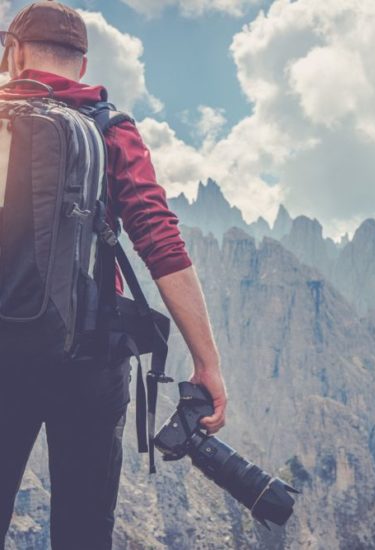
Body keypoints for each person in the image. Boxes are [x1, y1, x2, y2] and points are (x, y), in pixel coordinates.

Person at [0, 2, 228, 549]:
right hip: (90, 358)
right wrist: (207, 362)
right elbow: (159, 240)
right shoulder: (111, 129)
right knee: (83, 530)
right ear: (82, 64)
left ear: (14, 53)